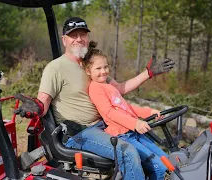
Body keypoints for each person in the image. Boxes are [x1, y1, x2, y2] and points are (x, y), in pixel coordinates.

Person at [36, 17, 175, 179]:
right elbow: (43, 102)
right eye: (74, 35)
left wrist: (148, 73)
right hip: (79, 134)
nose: (79, 39)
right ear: (64, 40)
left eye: (83, 34)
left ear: (87, 38)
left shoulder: (93, 66)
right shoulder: (55, 68)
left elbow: (119, 90)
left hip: (104, 127)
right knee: (127, 152)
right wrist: (34, 108)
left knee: (149, 150)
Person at [83, 41, 168, 180]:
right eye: (98, 68)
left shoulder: (109, 85)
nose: (103, 71)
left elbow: (126, 108)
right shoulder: (95, 88)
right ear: (88, 71)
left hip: (133, 133)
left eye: (105, 67)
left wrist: (148, 112)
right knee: (159, 167)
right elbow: (109, 113)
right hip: (122, 135)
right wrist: (135, 123)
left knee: (165, 159)